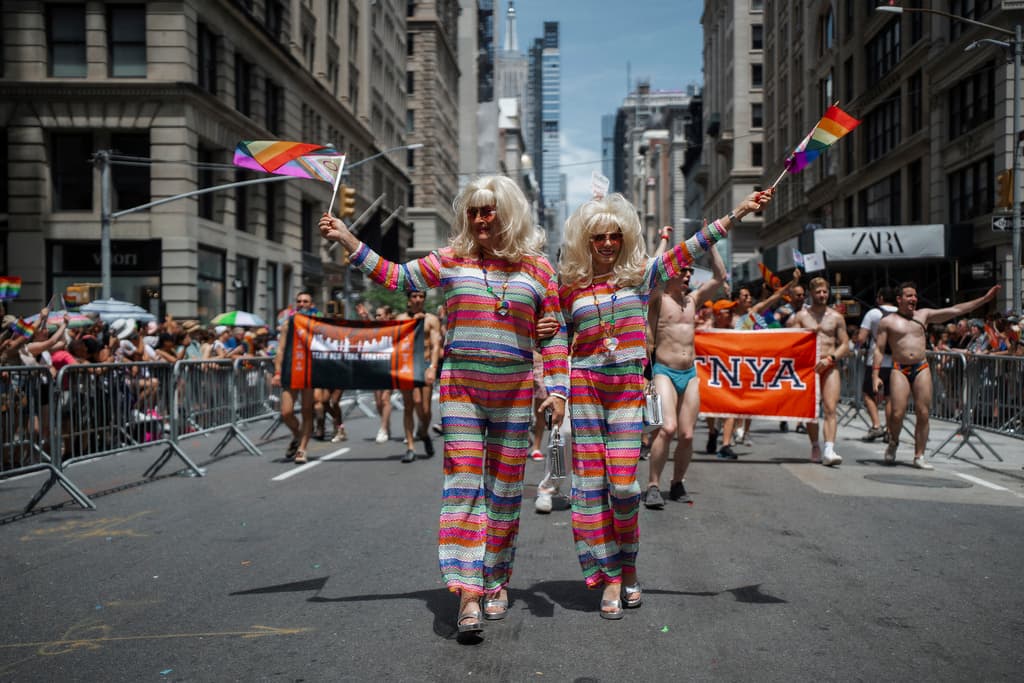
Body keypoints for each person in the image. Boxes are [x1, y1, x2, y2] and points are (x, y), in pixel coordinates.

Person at [319, 174, 568, 637]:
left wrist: (556, 390)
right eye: (472, 211)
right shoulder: (450, 259)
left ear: (507, 214)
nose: (479, 219)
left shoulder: (538, 270)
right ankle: (469, 590)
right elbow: (398, 276)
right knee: (464, 486)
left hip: (515, 396)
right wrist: (350, 239)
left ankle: (496, 579)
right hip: (461, 393)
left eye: (488, 210)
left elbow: (553, 335)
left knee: (504, 492)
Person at [556, 189, 773, 620]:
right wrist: (554, 385)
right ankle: (610, 577)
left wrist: (736, 213)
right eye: (597, 237)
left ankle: (629, 563)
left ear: (625, 238)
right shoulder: (571, 288)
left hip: (624, 394)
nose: (606, 244)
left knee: (623, 486)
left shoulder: (643, 276)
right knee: (588, 491)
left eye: (614, 236)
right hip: (584, 391)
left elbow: (690, 248)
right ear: (586, 240)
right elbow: (556, 337)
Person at [873, 282, 1000, 469]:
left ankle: (919, 455)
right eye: (909, 296)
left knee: (923, 412)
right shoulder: (887, 321)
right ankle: (893, 442)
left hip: (921, 366)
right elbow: (879, 349)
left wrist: (985, 299)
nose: (913, 299)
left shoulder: (923, 315)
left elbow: (955, 309)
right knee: (897, 412)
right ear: (899, 299)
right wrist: (875, 375)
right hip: (899, 368)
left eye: (915, 296)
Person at [642, 239, 727, 509]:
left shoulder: (693, 300)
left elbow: (719, 276)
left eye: (690, 272)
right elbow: (649, 274)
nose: (689, 275)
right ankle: (653, 485)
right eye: (684, 270)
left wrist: (711, 242)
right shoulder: (659, 299)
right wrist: (664, 243)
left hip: (689, 373)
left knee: (688, 435)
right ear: (671, 273)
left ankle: (677, 483)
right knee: (666, 428)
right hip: (663, 371)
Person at [788, 276, 851, 465]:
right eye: (818, 292)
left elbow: (846, 344)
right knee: (812, 410)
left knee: (831, 408)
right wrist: (804, 335)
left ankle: (829, 449)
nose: (822, 295)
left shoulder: (836, 317)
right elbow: (790, 343)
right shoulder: (801, 316)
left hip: (830, 365)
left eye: (825, 291)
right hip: (809, 367)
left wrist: (831, 358)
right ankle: (815, 444)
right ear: (811, 294)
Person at [395, 290, 442, 463]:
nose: (418, 299)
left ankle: (423, 432)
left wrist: (433, 367)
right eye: (414, 296)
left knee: (425, 410)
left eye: (421, 296)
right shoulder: (400, 320)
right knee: (409, 405)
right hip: (407, 367)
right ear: (409, 300)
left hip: (425, 365)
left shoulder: (431, 320)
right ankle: (410, 447)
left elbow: (436, 345)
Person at [272, 291, 318, 465]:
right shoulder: (287, 324)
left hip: (309, 371)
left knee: (307, 411)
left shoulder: (317, 324)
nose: (302, 303)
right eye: (299, 301)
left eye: (305, 301)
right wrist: (277, 373)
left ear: (311, 304)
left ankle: (302, 449)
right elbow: (281, 350)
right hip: (291, 371)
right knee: (286, 413)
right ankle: (298, 435)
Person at [855, 287, 897, 443]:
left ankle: (876, 425)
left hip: (875, 360)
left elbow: (861, 337)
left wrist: (856, 348)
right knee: (890, 397)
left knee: (868, 394)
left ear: (880, 298)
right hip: (895, 361)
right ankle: (890, 431)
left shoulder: (873, 313)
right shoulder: (901, 313)